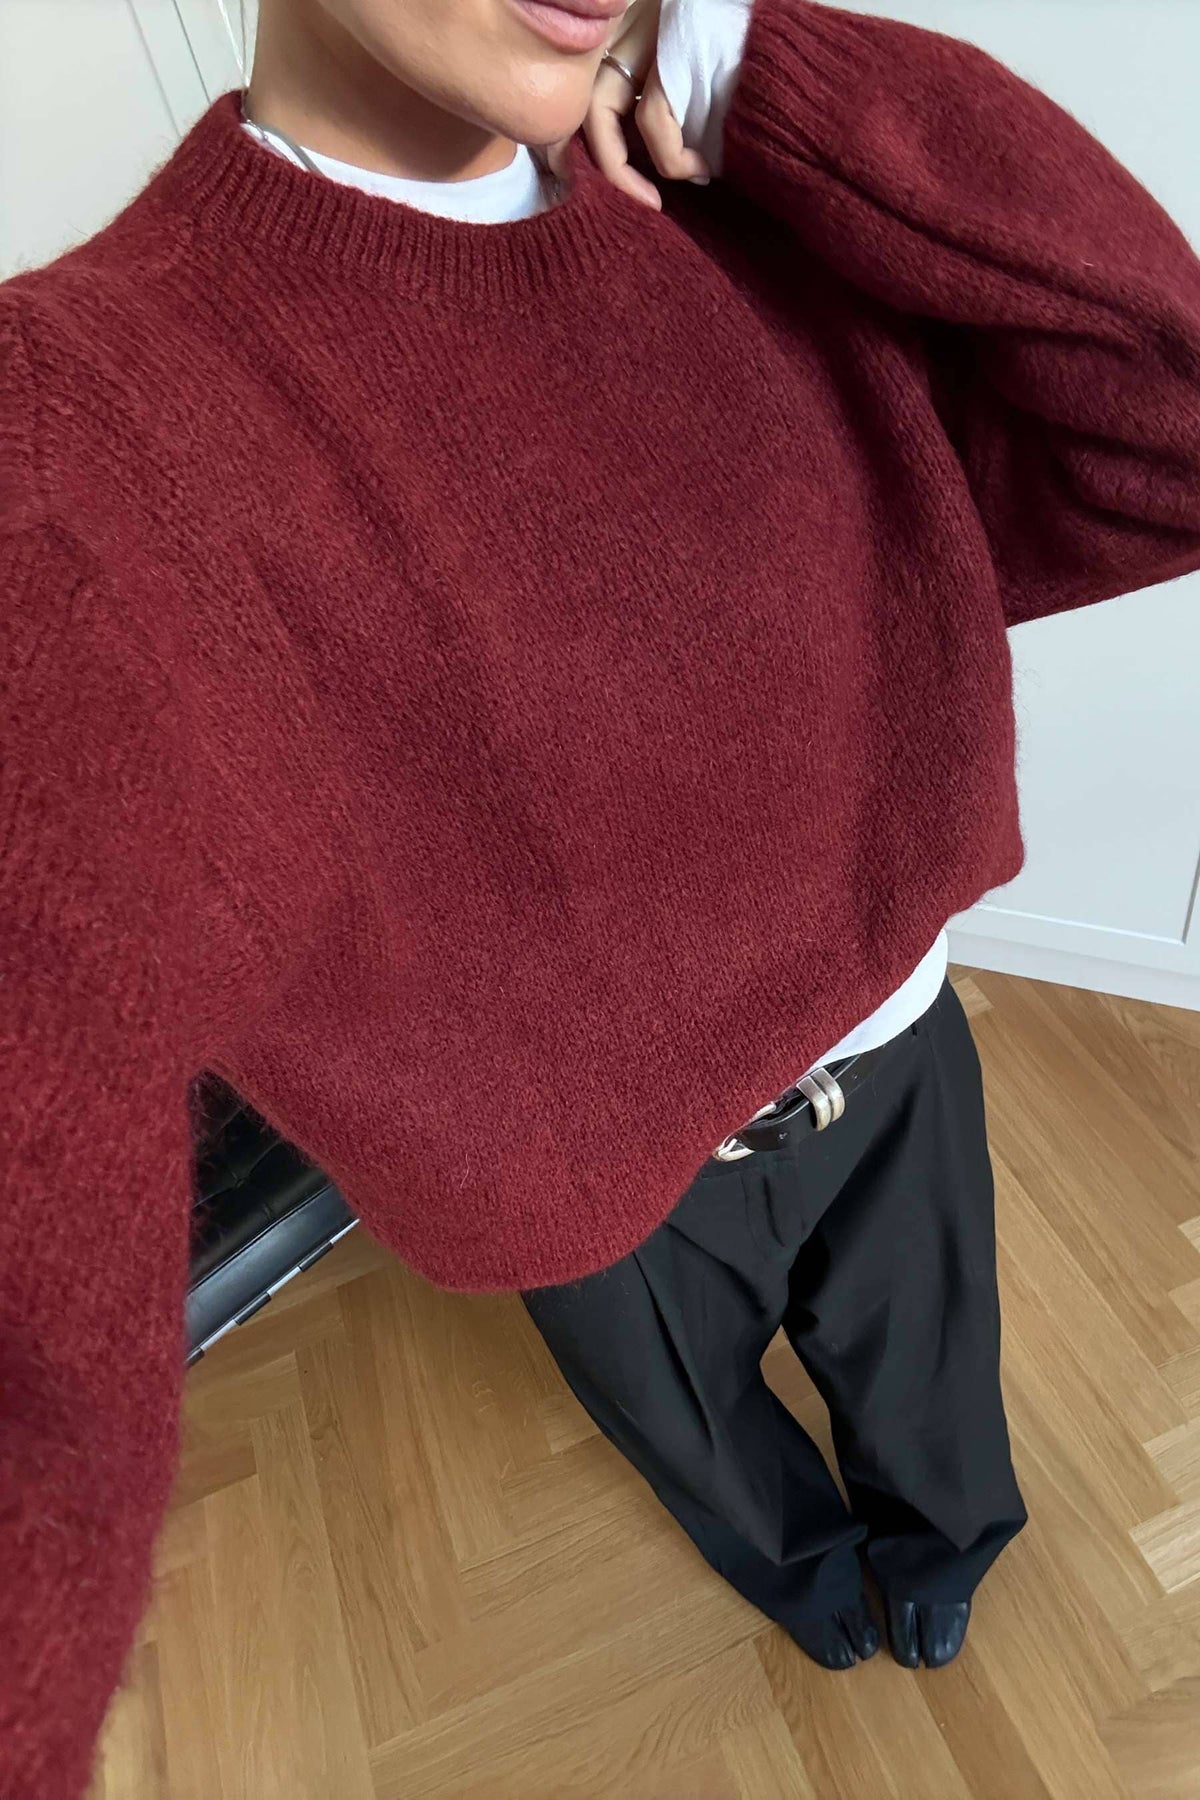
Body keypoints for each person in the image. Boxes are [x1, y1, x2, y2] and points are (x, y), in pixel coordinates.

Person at [2, 0, 1198, 1789]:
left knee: (938, 1391)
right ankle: (806, 1580)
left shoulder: (750, 212)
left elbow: (1164, 429)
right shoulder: (89, 430)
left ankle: (944, 1556)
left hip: (893, 1051)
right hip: (596, 1192)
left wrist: (753, 69)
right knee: (709, 1442)